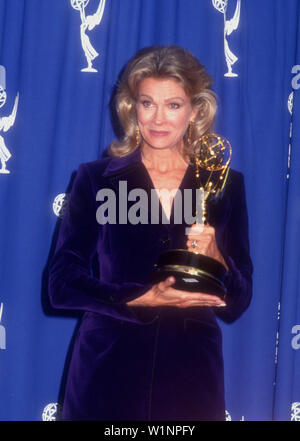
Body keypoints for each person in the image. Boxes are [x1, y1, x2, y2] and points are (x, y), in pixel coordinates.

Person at [48, 45, 253, 421]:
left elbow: (240, 300)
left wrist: (216, 257)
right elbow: (61, 285)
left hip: (191, 377)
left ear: (195, 110)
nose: (158, 119)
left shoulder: (224, 184)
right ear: (132, 107)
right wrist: (142, 297)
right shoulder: (96, 179)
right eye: (147, 103)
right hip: (106, 374)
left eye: (173, 105)